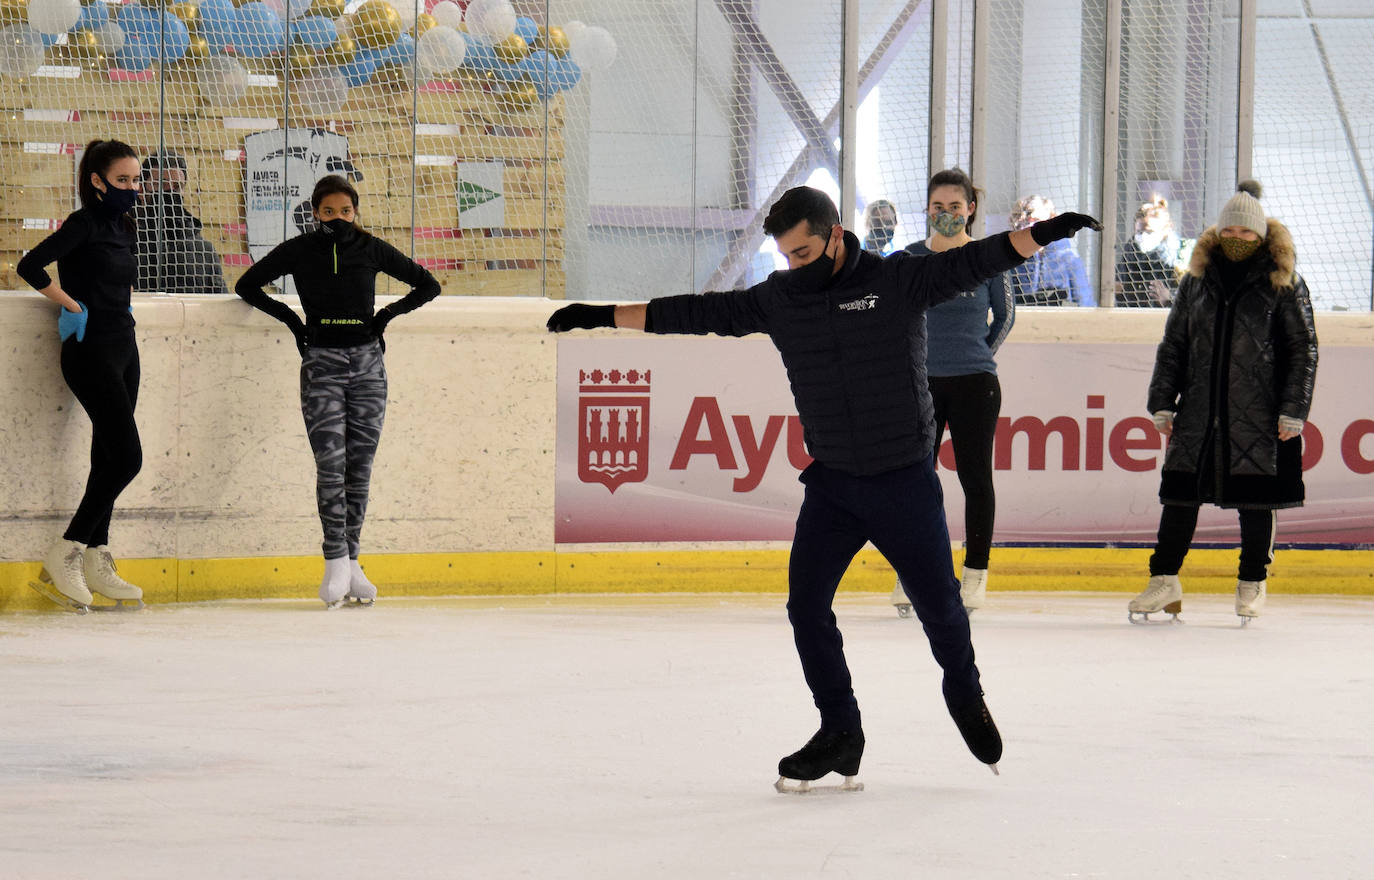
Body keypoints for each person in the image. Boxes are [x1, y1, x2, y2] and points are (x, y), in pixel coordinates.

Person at [546, 185, 1101, 788]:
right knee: (806, 608)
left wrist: (1045, 233)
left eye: (805, 252)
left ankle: (965, 695)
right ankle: (841, 730)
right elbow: (700, 314)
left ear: (836, 235)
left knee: (941, 610)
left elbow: (979, 259)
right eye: (786, 256)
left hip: (902, 483)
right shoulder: (781, 298)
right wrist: (603, 315)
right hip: (833, 485)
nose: (795, 266)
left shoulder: (898, 281)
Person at [234, 175, 442, 608]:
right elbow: (247, 285)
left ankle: (352, 559)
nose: (338, 219)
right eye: (328, 212)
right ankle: (334, 560)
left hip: (368, 366)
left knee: (359, 469)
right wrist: (295, 323)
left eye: (345, 212)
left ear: (355, 212)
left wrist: (384, 316)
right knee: (330, 464)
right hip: (322, 366)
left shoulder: (370, 247)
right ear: (314, 213)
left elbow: (428, 285)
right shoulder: (299, 250)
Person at [1128, 181, 1317, 624]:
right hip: (1198, 411)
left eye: (1247, 233)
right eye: (1230, 230)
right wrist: (1162, 400)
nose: (1238, 239)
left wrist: (1294, 408)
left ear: (1262, 236)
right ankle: (1164, 580)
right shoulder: (1196, 282)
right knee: (1179, 498)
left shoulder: (1283, 283)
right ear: (1217, 232)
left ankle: (1252, 580)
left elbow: (1303, 349)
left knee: (1256, 503)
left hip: (1259, 415)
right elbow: (1173, 343)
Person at [16, 139, 148, 611]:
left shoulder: (126, 224)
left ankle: (96, 557)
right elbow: (29, 265)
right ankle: (66, 550)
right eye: (122, 181)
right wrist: (71, 304)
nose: (132, 188)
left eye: (136, 179)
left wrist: (123, 307)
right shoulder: (84, 223)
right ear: (96, 181)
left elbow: (122, 279)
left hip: (124, 346)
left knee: (107, 454)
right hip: (88, 347)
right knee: (128, 457)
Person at [889, 169, 1013, 618]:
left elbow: (1005, 317)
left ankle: (975, 574)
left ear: (971, 210)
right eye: (938, 207)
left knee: (975, 480)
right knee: (915, 480)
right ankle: (913, 573)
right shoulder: (906, 259)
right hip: (918, 386)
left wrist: (975, 355)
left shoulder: (987, 258)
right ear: (927, 209)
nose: (946, 214)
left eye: (955, 207)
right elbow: (891, 314)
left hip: (976, 384)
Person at [132, 150, 229, 295]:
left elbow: (220, 305)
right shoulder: (127, 245)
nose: (170, 192)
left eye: (177, 186)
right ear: (142, 190)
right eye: (162, 185)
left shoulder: (203, 250)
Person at [1007, 194, 1095, 306]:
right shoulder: (1010, 259)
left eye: (1035, 221)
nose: (1028, 227)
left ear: (1052, 220)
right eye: (1021, 223)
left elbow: (1085, 302)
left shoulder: (1069, 259)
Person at [1114, 195, 1192, 307]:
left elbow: (1194, 299)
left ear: (1166, 230)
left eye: (1149, 232)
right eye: (1139, 232)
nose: (1143, 237)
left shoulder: (1180, 256)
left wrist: (1169, 299)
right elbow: (1118, 286)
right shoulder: (1130, 253)